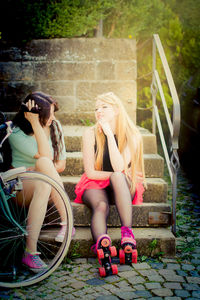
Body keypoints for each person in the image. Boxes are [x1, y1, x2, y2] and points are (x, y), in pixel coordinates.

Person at [74, 92, 146, 260]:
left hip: (121, 187)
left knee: (118, 177)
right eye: (96, 108)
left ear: (116, 110)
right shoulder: (90, 133)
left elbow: (119, 167)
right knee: (100, 205)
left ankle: (127, 234)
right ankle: (102, 243)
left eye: (104, 107)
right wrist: (116, 174)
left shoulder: (132, 135)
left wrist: (109, 135)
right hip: (95, 182)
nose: (99, 111)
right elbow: (91, 172)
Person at [8, 91, 69, 273]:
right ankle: (66, 221)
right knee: (43, 165)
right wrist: (36, 124)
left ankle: (65, 223)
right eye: (49, 114)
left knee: (43, 168)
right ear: (35, 115)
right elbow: (47, 156)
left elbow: (60, 164)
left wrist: (38, 169)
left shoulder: (54, 127)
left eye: (53, 113)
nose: (53, 118)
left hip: (46, 185)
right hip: (20, 188)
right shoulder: (16, 133)